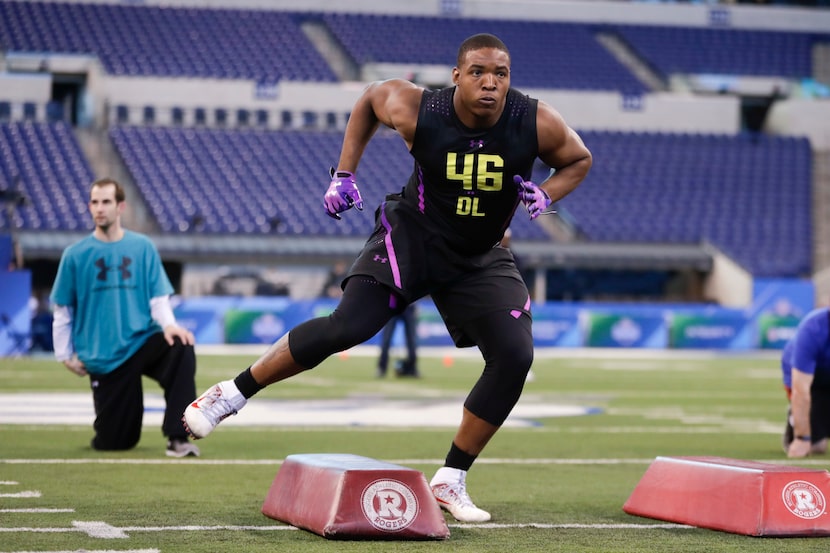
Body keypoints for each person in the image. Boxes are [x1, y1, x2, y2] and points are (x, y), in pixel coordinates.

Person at [184, 33, 592, 521]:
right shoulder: (420, 108)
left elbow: (578, 159)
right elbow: (371, 99)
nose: (490, 83)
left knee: (514, 355)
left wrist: (547, 194)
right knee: (346, 328)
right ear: (457, 75)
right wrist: (344, 173)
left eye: (500, 74)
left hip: (480, 254)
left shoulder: (535, 119)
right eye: (479, 72)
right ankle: (229, 395)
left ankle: (451, 478)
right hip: (413, 238)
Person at [51, 177, 200, 458]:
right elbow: (63, 311)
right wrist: (64, 355)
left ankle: (178, 438)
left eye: (106, 202)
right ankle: (112, 429)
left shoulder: (142, 247)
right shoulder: (75, 255)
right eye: (94, 202)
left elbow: (158, 298)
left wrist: (169, 325)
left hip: (141, 340)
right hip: (104, 357)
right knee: (116, 442)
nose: (99, 208)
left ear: (120, 206)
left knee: (181, 347)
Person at [780, 306, 830, 458]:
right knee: (815, 446)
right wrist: (802, 438)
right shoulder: (813, 328)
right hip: (810, 376)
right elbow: (800, 389)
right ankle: (795, 422)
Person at [377, 302, 419, 378]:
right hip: (393, 305)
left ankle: (412, 368)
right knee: (386, 339)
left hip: (408, 305)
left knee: (411, 340)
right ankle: (381, 368)